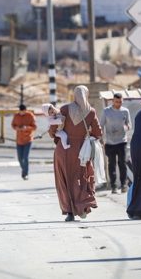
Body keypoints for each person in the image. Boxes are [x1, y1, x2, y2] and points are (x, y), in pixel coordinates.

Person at [49, 85, 102, 222]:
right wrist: (85, 134)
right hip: (82, 151)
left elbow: (52, 130)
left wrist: (58, 137)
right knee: (82, 178)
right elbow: (98, 133)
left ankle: (69, 212)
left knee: (64, 180)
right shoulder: (91, 112)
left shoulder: (65, 109)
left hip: (64, 150)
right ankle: (83, 206)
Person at [100, 93, 132, 194]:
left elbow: (129, 125)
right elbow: (101, 125)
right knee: (112, 164)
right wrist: (101, 139)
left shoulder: (125, 111)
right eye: (116, 102)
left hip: (122, 141)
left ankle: (123, 185)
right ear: (113, 101)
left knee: (122, 163)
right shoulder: (106, 111)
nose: (118, 104)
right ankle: (114, 186)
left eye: (120, 102)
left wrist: (125, 128)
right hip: (110, 142)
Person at [11, 104, 36, 180]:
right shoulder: (16, 116)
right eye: (20, 111)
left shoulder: (30, 115)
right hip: (19, 140)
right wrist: (17, 128)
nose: (22, 113)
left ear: (25, 110)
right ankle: (24, 169)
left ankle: (25, 173)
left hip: (28, 140)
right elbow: (13, 125)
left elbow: (34, 127)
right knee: (20, 159)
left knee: (25, 158)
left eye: (23, 111)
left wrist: (27, 128)